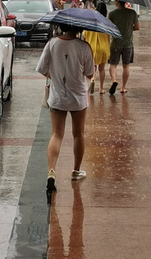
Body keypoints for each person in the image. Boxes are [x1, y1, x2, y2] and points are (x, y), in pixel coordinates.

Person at [36, 24, 94, 191]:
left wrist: (54, 75)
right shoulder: (84, 46)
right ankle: (76, 170)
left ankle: (51, 171)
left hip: (57, 97)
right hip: (78, 99)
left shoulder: (52, 44)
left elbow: (42, 69)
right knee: (78, 134)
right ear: (79, 28)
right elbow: (89, 73)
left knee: (56, 134)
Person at [108, 0, 140, 94]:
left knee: (113, 65)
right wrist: (129, 29)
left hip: (115, 43)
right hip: (128, 44)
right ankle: (123, 87)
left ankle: (114, 80)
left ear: (117, 2)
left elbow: (109, 27)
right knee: (126, 66)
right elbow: (137, 27)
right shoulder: (132, 13)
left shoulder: (112, 14)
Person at [82, 2, 110, 94]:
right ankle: (101, 88)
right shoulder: (107, 23)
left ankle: (92, 79)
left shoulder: (90, 22)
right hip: (103, 48)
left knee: (92, 67)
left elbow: (84, 35)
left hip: (91, 47)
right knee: (102, 69)